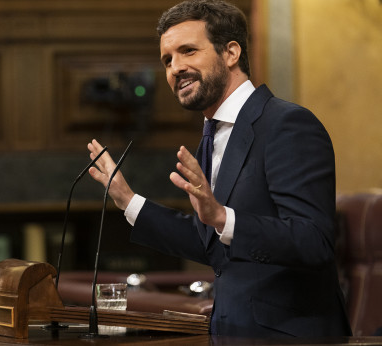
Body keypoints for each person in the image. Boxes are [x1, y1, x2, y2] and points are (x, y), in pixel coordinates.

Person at [86, 0, 352, 338]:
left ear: (231, 52)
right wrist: (127, 199)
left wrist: (223, 217)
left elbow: (314, 242)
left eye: (188, 51)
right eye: (167, 60)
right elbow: (211, 243)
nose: (175, 68)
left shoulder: (287, 124)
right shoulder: (212, 137)